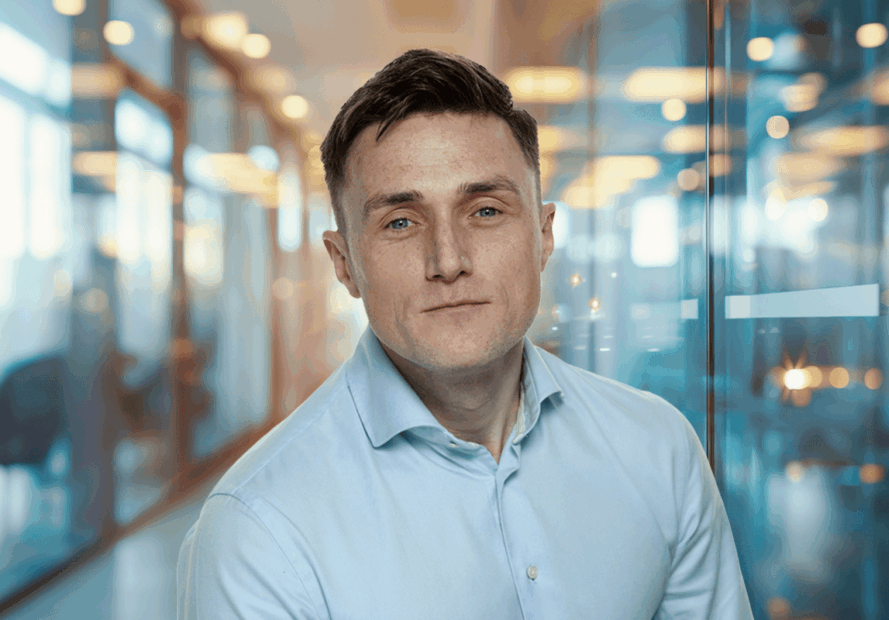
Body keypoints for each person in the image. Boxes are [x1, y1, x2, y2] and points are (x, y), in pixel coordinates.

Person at [177, 48, 753, 619]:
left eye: (485, 211)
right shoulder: (257, 527)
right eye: (400, 222)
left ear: (544, 235)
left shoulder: (659, 451)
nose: (448, 260)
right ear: (344, 262)